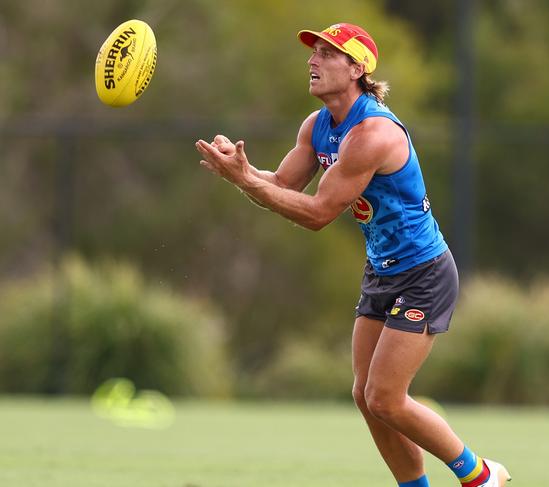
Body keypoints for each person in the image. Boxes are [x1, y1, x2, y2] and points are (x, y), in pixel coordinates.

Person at [195, 22, 511, 487]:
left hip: (425, 273)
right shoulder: (317, 126)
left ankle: (481, 476)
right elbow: (282, 185)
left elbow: (318, 214)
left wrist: (244, 182)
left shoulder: (373, 134)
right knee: (365, 397)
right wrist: (242, 169)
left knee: (385, 397)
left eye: (327, 53)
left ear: (357, 68)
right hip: (382, 271)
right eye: (314, 51)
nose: (313, 60)